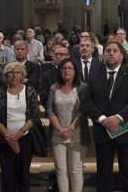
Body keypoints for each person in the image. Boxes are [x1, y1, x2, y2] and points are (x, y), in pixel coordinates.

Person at [82, 41, 128, 192]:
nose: (111, 53)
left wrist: (118, 117)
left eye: (115, 50)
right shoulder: (95, 74)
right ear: (102, 55)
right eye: (108, 50)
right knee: (103, 174)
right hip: (102, 129)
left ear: (122, 56)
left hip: (125, 128)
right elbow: (87, 101)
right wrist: (103, 119)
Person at [47, 58, 90, 192]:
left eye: (70, 68)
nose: (66, 70)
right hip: (58, 134)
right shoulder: (54, 87)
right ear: (60, 71)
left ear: (75, 71)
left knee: (75, 170)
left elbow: (84, 111)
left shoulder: (83, 87)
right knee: (61, 170)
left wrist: (71, 129)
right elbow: (50, 110)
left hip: (77, 133)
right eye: (63, 68)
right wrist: (60, 130)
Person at [0, 62, 40, 192]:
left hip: (25, 139)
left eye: (17, 72)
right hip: (4, 140)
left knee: (23, 175)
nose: (14, 75)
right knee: (7, 176)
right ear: (5, 76)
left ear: (22, 75)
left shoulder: (30, 90)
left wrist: (18, 134)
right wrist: (9, 137)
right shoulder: (0, 92)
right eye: (10, 73)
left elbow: (34, 116)